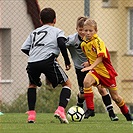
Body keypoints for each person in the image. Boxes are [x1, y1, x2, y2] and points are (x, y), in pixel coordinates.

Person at [21, 7, 71, 124]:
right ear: (55, 20)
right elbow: (61, 44)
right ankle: (60, 110)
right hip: (48, 60)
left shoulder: (34, 32)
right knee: (67, 84)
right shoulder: (57, 31)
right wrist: (67, 61)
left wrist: (35, 55)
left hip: (32, 62)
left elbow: (24, 48)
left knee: (32, 85)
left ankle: (31, 115)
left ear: (40, 21)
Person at [66, 16, 118, 121]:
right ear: (77, 29)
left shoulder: (93, 39)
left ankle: (112, 114)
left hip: (94, 67)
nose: (83, 33)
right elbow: (61, 44)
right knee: (82, 93)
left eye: (85, 30)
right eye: (81, 30)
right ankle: (79, 108)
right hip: (80, 69)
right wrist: (66, 60)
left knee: (102, 89)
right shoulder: (72, 40)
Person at [81, 18, 133, 121]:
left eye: (90, 31)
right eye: (86, 30)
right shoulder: (83, 44)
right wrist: (89, 64)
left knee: (116, 97)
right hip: (95, 71)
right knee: (86, 82)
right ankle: (90, 109)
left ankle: (127, 114)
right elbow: (92, 57)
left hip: (106, 73)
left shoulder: (98, 41)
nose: (88, 33)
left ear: (96, 31)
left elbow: (100, 57)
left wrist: (91, 66)